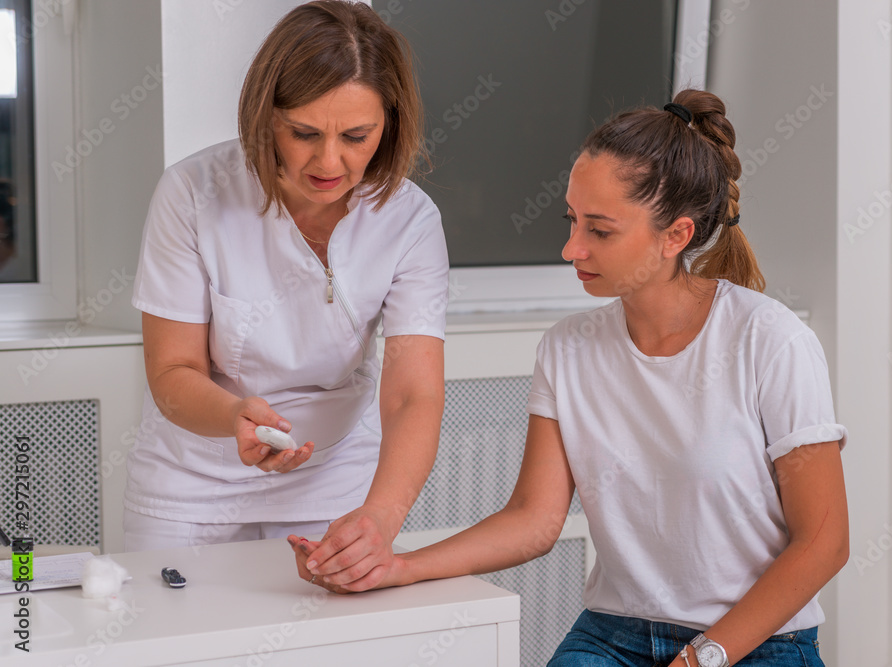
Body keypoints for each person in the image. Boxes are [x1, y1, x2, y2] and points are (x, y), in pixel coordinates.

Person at [290, 89, 849, 666]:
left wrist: (703, 656)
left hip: (754, 641)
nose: (570, 247)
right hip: (614, 634)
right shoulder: (568, 349)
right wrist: (397, 566)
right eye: (572, 220)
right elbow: (534, 518)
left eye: (600, 231)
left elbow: (824, 542)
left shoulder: (771, 341)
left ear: (675, 236)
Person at [125, 0, 448, 591]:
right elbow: (172, 370)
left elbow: (413, 394)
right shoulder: (192, 194)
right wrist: (232, 416)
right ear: (264, 117)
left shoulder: (410, 220)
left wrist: (379, 517)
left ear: (390, 124)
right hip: (193, 478)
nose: (330, 161)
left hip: (335, 475)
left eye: (357, 136)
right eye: (303, 133)